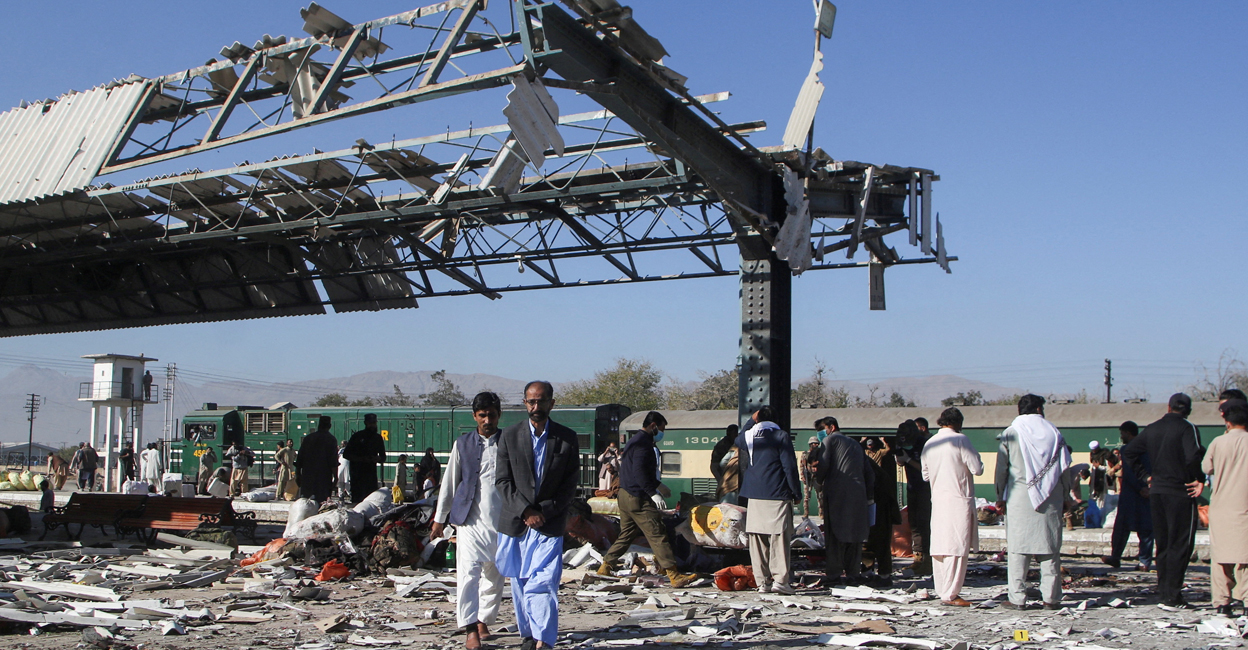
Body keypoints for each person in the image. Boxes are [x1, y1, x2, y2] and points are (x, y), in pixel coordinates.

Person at [495, 381, 580, 650]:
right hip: (516, 523)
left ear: (551, 403)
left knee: (543, 581)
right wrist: (526, 511)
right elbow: (502, 481)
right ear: (524, 403)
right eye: (531, 402)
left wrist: (543, 512)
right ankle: (529, 635)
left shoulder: (566, 438)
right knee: (520, 582)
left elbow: (570, 484)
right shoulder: (509, 436)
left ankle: (544, 639)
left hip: (549, 523)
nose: (536, 407)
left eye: (541, 401)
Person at [432, 392, 506, 650]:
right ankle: (470, 628)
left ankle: (485, 619)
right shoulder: (462, 444)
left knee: (495, 576)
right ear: (474, 416)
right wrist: (439, 519)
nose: (487, 420)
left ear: (499, 415)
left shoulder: (508, 443)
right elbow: (450, 483)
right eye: (482, 415)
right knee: (468, 575)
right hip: (469, 522)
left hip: (501, 521)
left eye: (492, 414)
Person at [1123, 393, 1206, 608]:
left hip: (1157, 491)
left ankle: (1163, 592)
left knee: (1164, 542)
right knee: (1181, 543)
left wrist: (1145, 476)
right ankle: (1173, 595)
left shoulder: (1152, 428)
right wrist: (1198, 478)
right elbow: (1192, 456)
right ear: (1188, 410)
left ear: (1168, 407)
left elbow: (1130, 452)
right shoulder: (1188, 429)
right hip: (1181, 491)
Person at [598, 412, 698, 587]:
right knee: (658, 533)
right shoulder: (643, 445)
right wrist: (653, 492)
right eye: (661, 429)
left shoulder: (634, 441)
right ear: (653, 426)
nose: (662, 433)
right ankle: (673, 574)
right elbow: (639, 472)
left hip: (625, 495)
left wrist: (658, 485)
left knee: (627, 534)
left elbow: (635, 471)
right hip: (638, 497)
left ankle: (606, 565)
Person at [995, 394, 1072, 610]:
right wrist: (1065, 496)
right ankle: (1051, 598)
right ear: (1039, 409)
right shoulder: (1055, 433)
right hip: (1051, 497)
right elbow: (1064, 468)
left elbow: (1002, 469)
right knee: (1050, 549)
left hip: (1020, 498)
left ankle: (1017, 599)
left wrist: (1000, 496)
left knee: (1018, 550)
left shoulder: (1011, 433)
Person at [736, 406, 802, 595]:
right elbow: (789, 467)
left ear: (757, 419)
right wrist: (796, 492)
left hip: (754, 495)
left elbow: (738, 437)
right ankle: (780, 580)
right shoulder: (781, 436)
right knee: (779, 539)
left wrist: (750, 420)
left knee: (757, 539)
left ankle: (762, 582)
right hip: (777, 493)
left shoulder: (748, 437)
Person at [922, 407, 984, 607]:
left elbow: (925, 475)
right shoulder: (961, 440)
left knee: (940, 547)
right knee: (957, 547)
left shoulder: (929, 443)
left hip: (938, 500)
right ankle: (951, 593)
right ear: (958, 423)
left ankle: (942, 589)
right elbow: (977, 468)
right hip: (958, 499)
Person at [1202, 399, 1248, 616]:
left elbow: (1206, 468)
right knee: (1245, 558)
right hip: (1245, 507)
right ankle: (1246, 600)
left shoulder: (1218, 443)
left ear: (1227, 421)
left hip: (1221, 507)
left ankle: (1222, 602)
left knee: (1221, 558)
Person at [816, 416, 873, 587]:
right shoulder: (855, 444)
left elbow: (824, 465)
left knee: (834, 535)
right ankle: (853, 573)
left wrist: (818, 481)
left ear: (831, 427)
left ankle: (834, 573)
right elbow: (869, 473)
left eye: (822, 428)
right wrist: (868, 496)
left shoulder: (830, 440)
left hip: (837, 493)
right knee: (854, 538)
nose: (820, 433)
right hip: (858, 494)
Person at [1102, 421, 1154, 571]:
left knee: (1122, 528)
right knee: (1145, 528)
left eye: (1122, 433)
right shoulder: (1149, 448)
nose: (1121, 436)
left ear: (1128, 433)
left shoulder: (1127, 449)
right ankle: (1144, 561)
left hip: (1131, 494)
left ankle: (1116, 556)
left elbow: (1130, 473)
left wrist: (1139, 488)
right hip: (1145, 493)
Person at [896, 419, 933, 575]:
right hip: (912, 487)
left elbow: (927, 470)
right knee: (914, 523)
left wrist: (909, 460)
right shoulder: (903, 442)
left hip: (925, 489)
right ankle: (918, 557)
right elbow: (900, 463)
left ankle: (927, 559)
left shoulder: (925, 444)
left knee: (924, 524)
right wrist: (900, 455)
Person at [862, 432, 901, 580]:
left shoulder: (865, 464)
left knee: (871, 540)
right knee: (879, 540)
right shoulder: (868, 461)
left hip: (877, 505)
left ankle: (871, 571)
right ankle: (881, 572)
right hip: (880, 505)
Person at [344, 414, 387, 505]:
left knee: (371, 502)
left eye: (374, 423)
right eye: (370, 423)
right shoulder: (357, 437)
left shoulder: (377, 438)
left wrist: (377, 459)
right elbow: (346, 454)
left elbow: (383, 457)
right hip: (357, 476)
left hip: (370, 476)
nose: (373, 425)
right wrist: (362, 459)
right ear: (365, 423)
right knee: (357, 502)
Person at [297, 416, 339, 503]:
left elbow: (300, 458)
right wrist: (335, 477)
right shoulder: (331, 440)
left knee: (306, 502)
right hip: (323, 478)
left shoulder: (308, 438)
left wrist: (298, 474)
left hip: (307, 476)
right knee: (321, 503)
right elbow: (333, 461)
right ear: (330, 426)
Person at [710, 424, 738, 498]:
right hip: (717, 466)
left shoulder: (731, 443)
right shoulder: (724, 444)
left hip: (723, 466)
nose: (736, 435)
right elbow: (723, 463)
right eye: (734, 434)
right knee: (723, 485)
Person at [800, 436, 822, 517]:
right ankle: (806, 512)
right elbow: (802, 465)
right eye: (814, 443)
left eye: (817, 443)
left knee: (820, 495)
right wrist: (802, 476)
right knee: (807, 496)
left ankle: (821, 512)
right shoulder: (805, 454)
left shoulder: (820, 454)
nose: (816, 445)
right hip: (808, 476)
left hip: (816, 477)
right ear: (810, 444)